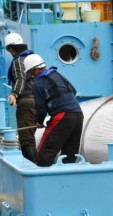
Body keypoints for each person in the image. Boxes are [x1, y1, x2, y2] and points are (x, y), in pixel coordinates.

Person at [23, 54, 84, 167]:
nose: (31, 75)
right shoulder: (57, 74)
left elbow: (40, 107)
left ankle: (42, 181)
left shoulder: (37, 84)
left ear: (35, 70)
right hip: (78, 114)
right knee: (70, 155)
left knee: (44, 153)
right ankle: (67, 181)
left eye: (31, 72)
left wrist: (39, 122)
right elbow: (73, 91)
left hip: (62, 116)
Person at [5, 32, 37, 162]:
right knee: (30, 134)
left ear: (11, 49)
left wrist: (14, 94)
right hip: (37, 100)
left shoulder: (18, 61)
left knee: (25, 138)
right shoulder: (32, 57)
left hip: (26, 102)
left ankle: (33, 167)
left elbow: (20, 78)